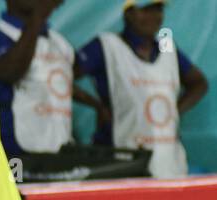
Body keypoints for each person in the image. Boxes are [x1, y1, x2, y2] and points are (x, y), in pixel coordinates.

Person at [74, 1, 208, 179]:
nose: (153, 16)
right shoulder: (107, 45)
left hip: (169, 164)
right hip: (121, 162)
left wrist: (173, 111)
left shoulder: (166, 48)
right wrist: (97, 105)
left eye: (158, 10)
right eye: (145, 10)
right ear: (128, 13)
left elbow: (199, 82)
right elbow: (62, 77)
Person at [0, 0, 94, 163]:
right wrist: (37, 19)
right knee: (12, 188)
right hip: (9, 147)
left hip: (52, 148)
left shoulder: (59, 43)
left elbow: (57, 84)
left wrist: (97, 105)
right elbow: (9, 73)